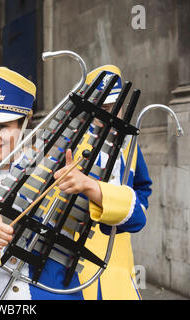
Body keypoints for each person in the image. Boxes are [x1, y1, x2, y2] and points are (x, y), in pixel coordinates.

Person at [0, 66, 86, 300]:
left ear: (24, 124)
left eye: (2, 127)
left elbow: (131, 223)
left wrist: (90, 188)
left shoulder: (60, 173)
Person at [70, 65, 152, 300]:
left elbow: (143, 185)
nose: (111, 116)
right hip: (80, 253)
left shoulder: (129, 144)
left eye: (115, 108)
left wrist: (136, 210)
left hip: (120, 254)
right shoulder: (72, 146)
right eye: (103, 109)